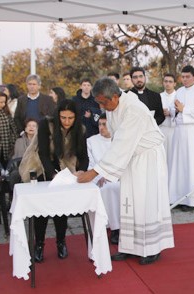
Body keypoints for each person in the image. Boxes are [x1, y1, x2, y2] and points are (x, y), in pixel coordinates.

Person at [77, 77, 174, 265]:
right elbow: (118, 141)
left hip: (147, 159)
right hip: (131, 158)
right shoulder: (114, 107)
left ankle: (151, 248)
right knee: (129, 201)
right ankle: (130, 246)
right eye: (99, 103)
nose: (102, 107)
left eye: (104, 102)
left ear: (114, 96)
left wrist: (94, 172)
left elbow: (121, 145)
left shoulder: (134, 109)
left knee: (146, 202)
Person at [34, 99, 89, 263]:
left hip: (67, 170)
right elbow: (43, 153)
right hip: (43, 169)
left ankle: (61, 242)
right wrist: (53, 174)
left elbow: (84, 156)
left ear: (76, 117)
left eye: (70, 118)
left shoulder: (81, 128)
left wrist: (82, 171)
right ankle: (39, 245)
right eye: (63, 118)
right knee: (41, 210)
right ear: (58, 116)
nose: (66, 122)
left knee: (61, 208)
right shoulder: (46, 125)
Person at [168, 65, 194, 211]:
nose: (184, 79)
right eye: (183, 77)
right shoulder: (178, 91)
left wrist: (184, 109)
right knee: (178, 165)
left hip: (192, 133)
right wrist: (174, 110)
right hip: (179, 133)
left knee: (191, 165)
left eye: (187, 77)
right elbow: (175, 111)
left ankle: (192, 200)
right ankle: (177, 197)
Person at [86, 113, 121, 244]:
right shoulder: (91, 141)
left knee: (114, 187)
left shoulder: (119, 140)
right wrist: (100, 176)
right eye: (99, 124)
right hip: (98, 178)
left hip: (117, 178)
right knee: (106, 188)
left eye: (104, 124)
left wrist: (111, 177)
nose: (101, 127)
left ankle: (118, 227)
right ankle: (109, 227)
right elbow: (91, 164)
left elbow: (123, 162)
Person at [159, 73, 177, 166]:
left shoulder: (179, 95)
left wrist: (171, 113)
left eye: (170, 82)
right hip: (162, 129)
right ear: (163, 83)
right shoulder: (159, 97)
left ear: (174, 84)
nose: (168, 84)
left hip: (175, 130)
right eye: (166, 81)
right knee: (162, 158)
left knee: (173, 158)